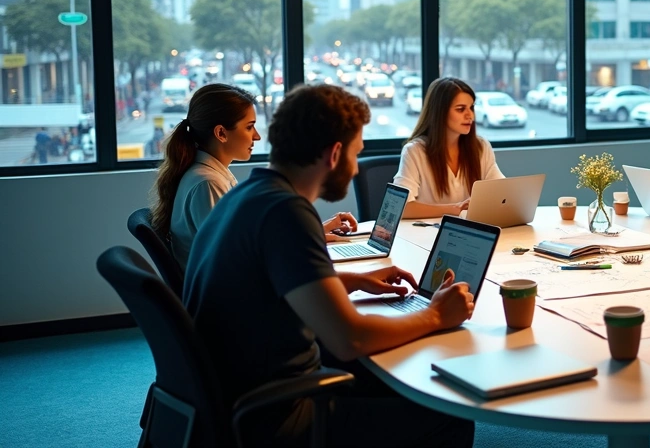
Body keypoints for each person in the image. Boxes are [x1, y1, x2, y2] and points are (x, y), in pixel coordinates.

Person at [183, 84, 475, 447]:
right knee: (451, 415)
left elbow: (271, 284)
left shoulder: (250, 194)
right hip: (279, 414)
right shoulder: (286, 213)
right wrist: (435, 315)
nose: (356, 167)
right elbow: (351, 338)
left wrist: (354, 280)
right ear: (335, 154)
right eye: (356, 153)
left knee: (395, 376)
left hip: (239, 392)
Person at [149, 83, 356, 268]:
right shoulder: (208, 183)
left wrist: (317, 232)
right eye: (249, 127)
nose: (256, 136)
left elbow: (248, 244)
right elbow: (236, 260)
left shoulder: (210, 174)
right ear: (221, 133)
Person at [394, 77, 504, 219]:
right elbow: (402, 208)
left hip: (469, 232)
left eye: (471, 108)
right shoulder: (414, 151)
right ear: (439, 112)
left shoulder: (481, 147)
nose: (470, 115)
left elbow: (502, 193)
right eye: (460, 109)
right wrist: (455, 209)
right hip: (425, 235)